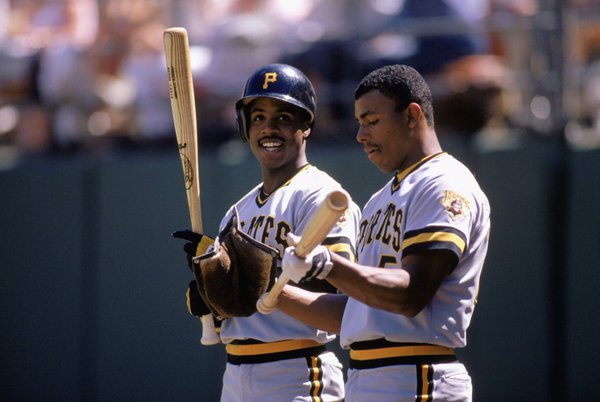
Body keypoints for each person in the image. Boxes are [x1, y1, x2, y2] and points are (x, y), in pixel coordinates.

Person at [272, 64, 491, 401]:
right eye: (359, 123)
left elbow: (410, 295)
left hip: (417, 373)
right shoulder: (380, 198)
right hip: (369, 376)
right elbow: (356, 312)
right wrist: (271, 292)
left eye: (371, 121)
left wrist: (328, 264)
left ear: (412, 116)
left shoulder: (445, 182)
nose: (361, 135)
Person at [174, 63, 361, 402]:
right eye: (258, 117)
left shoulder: (322, 195)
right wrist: (212, 298)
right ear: (244, 127)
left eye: (284, 118)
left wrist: (257, 277)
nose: (269, 128)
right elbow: (237, 314)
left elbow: (341, 298)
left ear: (306, 126)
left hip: (298, 371)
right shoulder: (236, 212)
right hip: (235, 374)